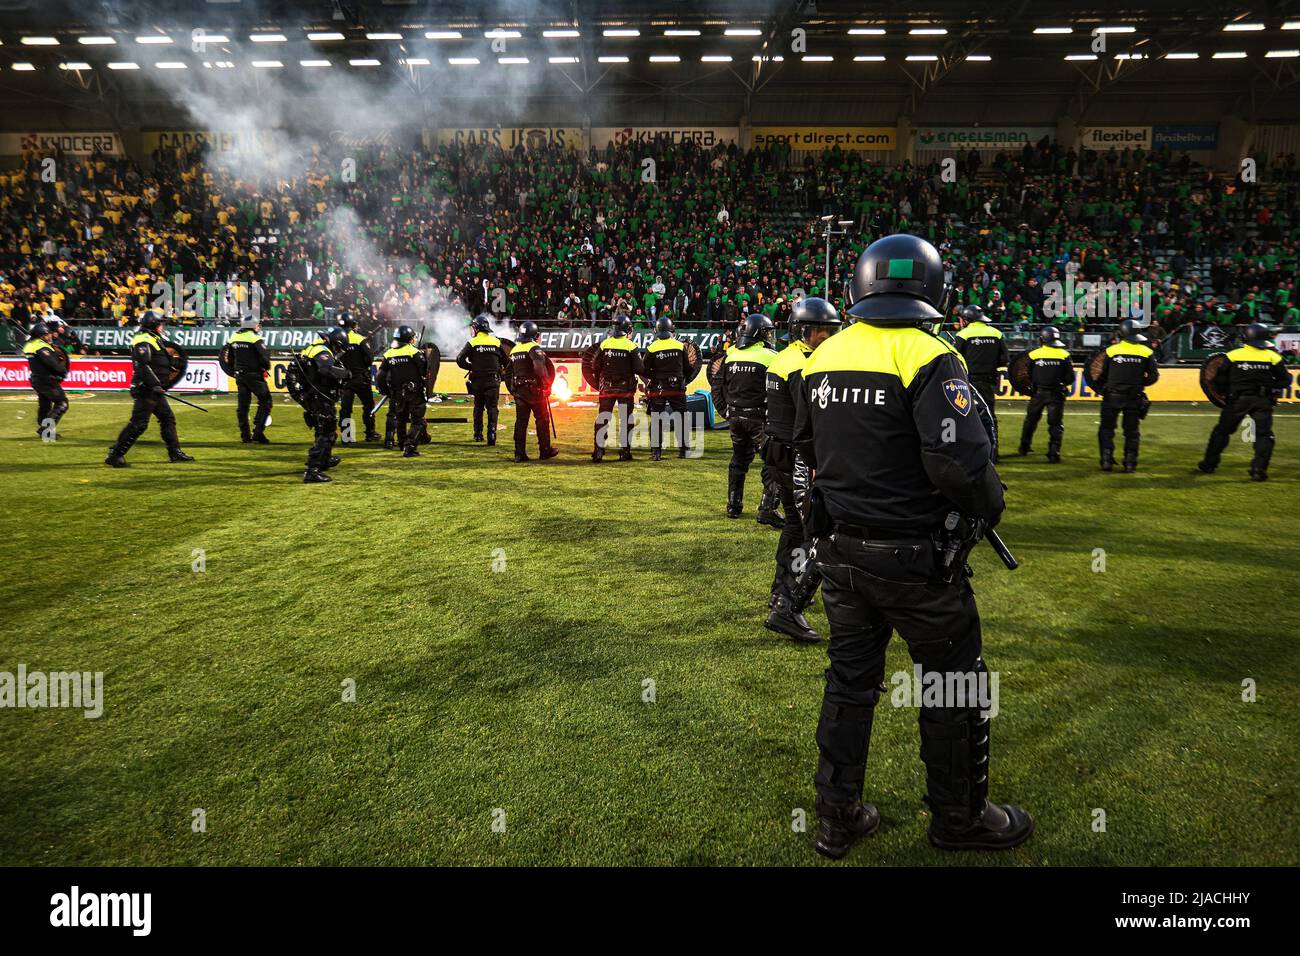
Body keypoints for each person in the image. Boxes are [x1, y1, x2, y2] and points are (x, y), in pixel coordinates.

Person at [793, 233, 1031, 860]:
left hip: (842, 556)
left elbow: (803, 455)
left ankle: (836, 816)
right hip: (919, 565)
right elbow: (962, 467)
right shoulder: (930, 355)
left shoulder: (822, 357)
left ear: (859, 287)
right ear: (932, 287)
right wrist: (990, 504)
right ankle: (959, 818)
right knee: (953, 686)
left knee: (849, 684)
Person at [762, 296, 840, 643]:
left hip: (778, 452)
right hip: (797, 456)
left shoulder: (784, 358)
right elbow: (810, 421)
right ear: (802, 331)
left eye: (829, 331)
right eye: (820, 331)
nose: (826, 337)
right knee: (813, 530)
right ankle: (789, 603)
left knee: (795, 525)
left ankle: (781, 592)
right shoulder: (804, 366)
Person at [1198, 323, 1290, 481]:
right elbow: (1285, 380)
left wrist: (1223, 393)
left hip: (1237, 401)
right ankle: (1258, 470)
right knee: (1263, 434)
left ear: (1246, 337)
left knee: (1222, 432)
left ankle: (1209, 464)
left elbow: (1218, 379)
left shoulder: (1233, 355)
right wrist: (1269, 386)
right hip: (1262, 400)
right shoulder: (1273, 357)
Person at [105, 312, 195, 468]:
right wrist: (155, 385)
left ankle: (175, 453)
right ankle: (115, 455)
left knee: (167, 418)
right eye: (160, 324)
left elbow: (158, 361)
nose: (163, 327)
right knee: (139, 424)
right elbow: (143, 365)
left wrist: (176, 362)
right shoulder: (142, 340)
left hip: (154, 390)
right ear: (154, 325)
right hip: (146, 389)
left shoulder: (154, 339)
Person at [713, 314, 777, 518]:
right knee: (772, 462)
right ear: (758, 333)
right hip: (760, 419)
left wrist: (725, 411)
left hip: (734, 418)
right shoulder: (770, 356)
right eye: (767, 332)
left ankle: (733, 505)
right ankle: (767, 508)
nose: (770, 336)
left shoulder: (730, 355)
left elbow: (716, 386)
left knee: (739, 461)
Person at [1094, 318, 1160, 472]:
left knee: (1106, 429)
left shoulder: (1111, 351)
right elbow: (1153, 376)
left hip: (1112, 396)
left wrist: (1104, 388)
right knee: (1131, 432)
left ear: (1121, 333)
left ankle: (1106, 460)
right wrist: (1140, 382)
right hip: (1134, 397)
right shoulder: (1146, 352)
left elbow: (1101, 375)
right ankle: (1130, 463)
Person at [952, 304, 1009, 461]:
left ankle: (966, 453)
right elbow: (1005, 359)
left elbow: (954, 358)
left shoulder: (963, 334)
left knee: (964, 416)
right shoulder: (997, 333)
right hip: (989, 381)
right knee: (989, 416)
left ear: (967, 319)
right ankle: (993, 453)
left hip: (967, 381)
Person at [297, 326, 351, 483]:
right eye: (339, 346)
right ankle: (312, 470)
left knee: (326, 429)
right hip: (319, 396)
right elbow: (325, 370)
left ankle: (324, 460)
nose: (338, 350)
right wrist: (346, 373)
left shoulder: (311, 348)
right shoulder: (322, 351)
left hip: (312, 394)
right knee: (326, 432)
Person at [590, 314, 642, 462]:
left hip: (607, 387)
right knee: (626, 420)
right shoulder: (631, 346)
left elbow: (594, 365)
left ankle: (598, 451)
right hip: (625, 389)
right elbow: (640, 368)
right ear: (627, 329)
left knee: (603, 418)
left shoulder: (605, 344)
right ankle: (625, 452)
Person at [1017, 326, 1072, 462]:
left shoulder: (1034, 355)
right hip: (1056, 394)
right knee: (1055, 424)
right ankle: (1054, 453)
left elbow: (1026, 374)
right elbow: (1070, 378)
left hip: (1038, 394)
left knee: (1030, 421)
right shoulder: (1064, 355)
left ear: (1042, 339)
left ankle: (1024, 447)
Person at [507, 320, 559, 462]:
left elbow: (507, 373)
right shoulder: (534, 348)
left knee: (521, 422)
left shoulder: (515, 350)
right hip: (535, 392)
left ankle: (519, 454)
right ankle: (545, 451)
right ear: (535, 335)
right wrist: (547, 385)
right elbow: (540, 368)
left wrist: (513, 391)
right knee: (542, 420)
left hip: (519, 391)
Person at [641, 316, 692, 460]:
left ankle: (656, 452)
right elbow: (687, 368)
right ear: (671, 330)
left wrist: (655, 376)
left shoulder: (651, 347)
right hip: (677, 388)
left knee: (657, 418)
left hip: (658, 388)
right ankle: (684, 450)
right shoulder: (680, 346)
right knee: (681, 417)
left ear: (657, 330)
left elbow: (644, 370)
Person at [376, 325, 429, 460]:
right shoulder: (414, 352)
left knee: (401, 419)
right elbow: (425, 372)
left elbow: (380, 377)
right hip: (414, 393)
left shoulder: (388, 354)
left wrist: (386, 391)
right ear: (409, 339)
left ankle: (401, 443)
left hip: (397, 393)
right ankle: (409, 447)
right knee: (417, 421)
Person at [456, 315, 508, 445]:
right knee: (492, 408)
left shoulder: (472, 342)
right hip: (493, 380)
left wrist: (472, 367)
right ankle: (492, 433)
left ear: (476, 328)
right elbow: (506, 361)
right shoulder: (496, 341)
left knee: (478, 407)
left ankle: (478, 434)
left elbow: (459, 359)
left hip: (478, 380)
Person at [337, 312, 381, 443]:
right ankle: (370, 433)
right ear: (353, 325)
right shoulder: (359, 339)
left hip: (344, 379)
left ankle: (347, 437)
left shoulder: (338, 340)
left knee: (345, 409)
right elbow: (369, 359)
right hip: (360, 378)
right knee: (368, 406)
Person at [228, 317, 272, 444]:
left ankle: (245, 436)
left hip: (240, 375)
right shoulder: (255, 338)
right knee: (266, 401)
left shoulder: (233, 337)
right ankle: (258, 432)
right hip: (254, 376)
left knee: (243, 406)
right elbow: (264, 359)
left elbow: (228, 358)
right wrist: (265, 367)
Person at [22, 321, 69, 440]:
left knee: (45, 405)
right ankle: (45, 430)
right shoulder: (41, 347)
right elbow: (52, 364)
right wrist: (62, 370)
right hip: (47, 380)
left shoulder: (30, 345)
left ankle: (45, 431)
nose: (50, 336)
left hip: (37, 379)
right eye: (48, 334)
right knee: (62, 403)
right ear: (41, 335)